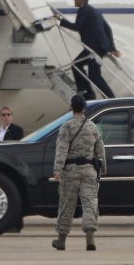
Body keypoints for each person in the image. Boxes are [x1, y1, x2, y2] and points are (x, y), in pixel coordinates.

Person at [51, 94, 107, 251]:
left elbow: (61, 149)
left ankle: (61, 240)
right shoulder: (92, 127)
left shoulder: (67, 126)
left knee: (66, 204)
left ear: (71, 107)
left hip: (71, 170)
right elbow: (100, 150)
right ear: (84, 108)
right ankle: (90, 238)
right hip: (89, 170)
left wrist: (57, 170)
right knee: (90, 203)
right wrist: (103, 169)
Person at [56, 0, 120, 100]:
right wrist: (112, 48)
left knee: (87, 72)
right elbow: (108, 29)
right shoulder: (94, 10)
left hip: (94, 48)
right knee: (81, 67)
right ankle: (91, 94)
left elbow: (77, 27)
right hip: (98, 47)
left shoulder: (83, 10)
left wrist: (61, 21)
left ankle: (105, 97)